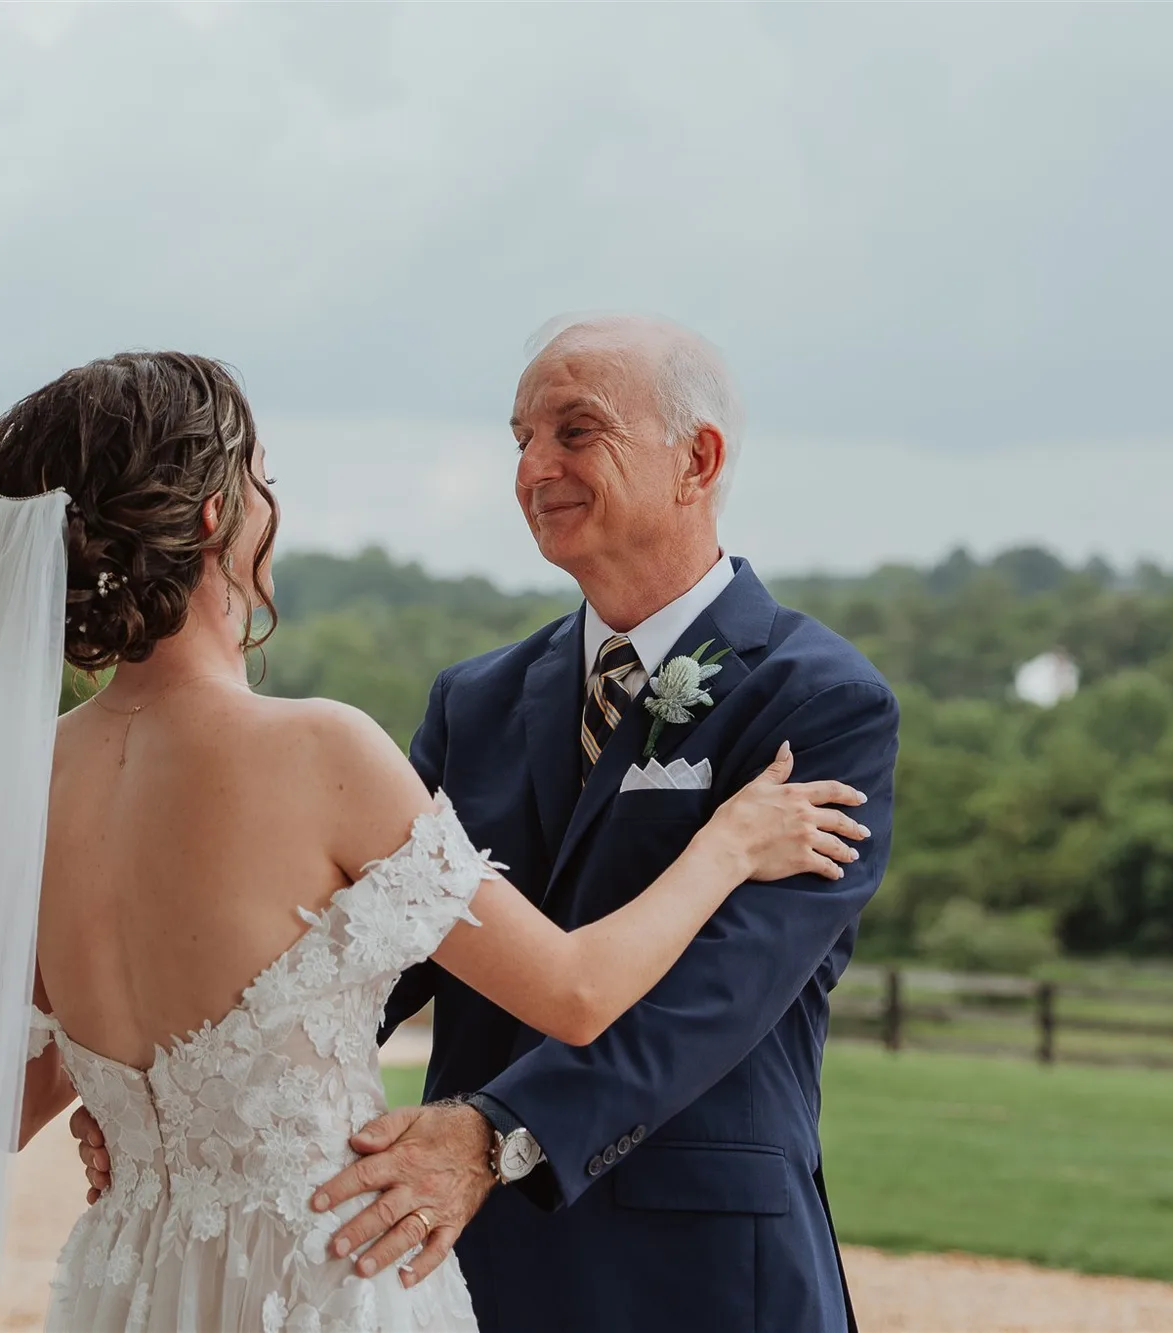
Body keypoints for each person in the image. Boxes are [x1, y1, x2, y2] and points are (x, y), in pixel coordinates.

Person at [0, 349, 870, 1333]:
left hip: (134, 1278)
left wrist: (141, 1093)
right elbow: (567, 989)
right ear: (215, 516)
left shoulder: (25, 772)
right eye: (261, 480)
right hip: (321, 1276)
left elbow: (7, 1095)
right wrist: (725, 842)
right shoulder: (322, 746)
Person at [82, 317, 900, 1333]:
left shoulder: (820, 702)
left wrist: (493, 1134)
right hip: (472, 1257)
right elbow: (354, 950)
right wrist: (187, 1092)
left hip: (698, 1266)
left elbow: (716, 995)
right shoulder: (474, 700)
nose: (532, 468)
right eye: (518, 438)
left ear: (697, 458)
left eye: (572, 431)